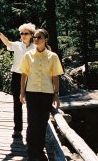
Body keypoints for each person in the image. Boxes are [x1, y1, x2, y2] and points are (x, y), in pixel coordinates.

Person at [19, 29, 63, 161]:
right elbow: (24, 75)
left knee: (42, 123)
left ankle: (39, 151)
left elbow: (55, 76)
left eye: (40, 37)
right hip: (31, 93)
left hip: (46, 94)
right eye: (35, 37)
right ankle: (32, 152)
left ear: (46, 39)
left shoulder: (53, 56)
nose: (36, 39)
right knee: (32, 123)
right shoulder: (28, 55)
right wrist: (22, 93)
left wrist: (56, 94)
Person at [0, 23, 36, 138]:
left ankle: (31, 130)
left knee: (31, 104)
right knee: (17, 103)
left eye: (26, 33)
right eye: (22, 33)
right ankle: (17, 130)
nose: (23, 35)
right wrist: (1, 35)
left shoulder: (35, 47)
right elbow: (8, 43)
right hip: (17, 76)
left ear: (31, 35)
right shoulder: (18, 45)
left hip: (31, 77)